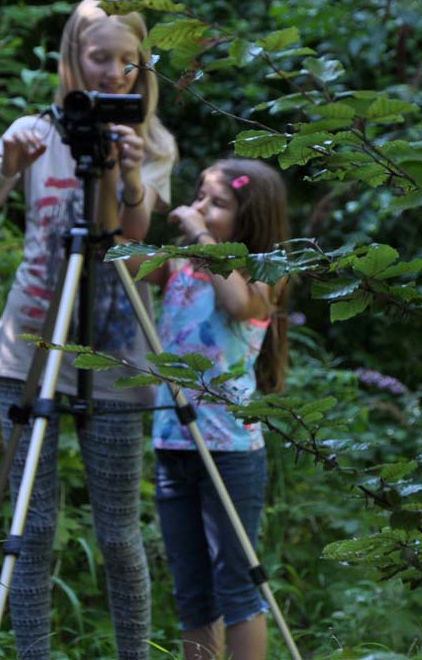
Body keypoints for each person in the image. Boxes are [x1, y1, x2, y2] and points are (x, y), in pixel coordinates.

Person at [0, 0, 177, 660]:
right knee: (33, 525)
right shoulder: (33, 131)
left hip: (116, 359)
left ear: (142, 69)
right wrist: (5, 169)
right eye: (98, 57)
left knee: (118, 532)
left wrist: (126, 170)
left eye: (127, 61)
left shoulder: (152, 143)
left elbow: (127, 236)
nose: (112, 72)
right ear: (72, 57)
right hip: (30, 348)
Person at [125, 157, 290, 660]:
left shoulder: (264, 273)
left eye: (217, 203)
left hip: (230, 448)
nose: (199, 208)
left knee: (237, 588)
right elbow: (122, 256)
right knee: (192, 593)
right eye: (199, 196)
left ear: (250, 218)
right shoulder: (180, 263)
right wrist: (125, 185)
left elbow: (239, 305)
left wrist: (200, 235)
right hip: (173, 442)